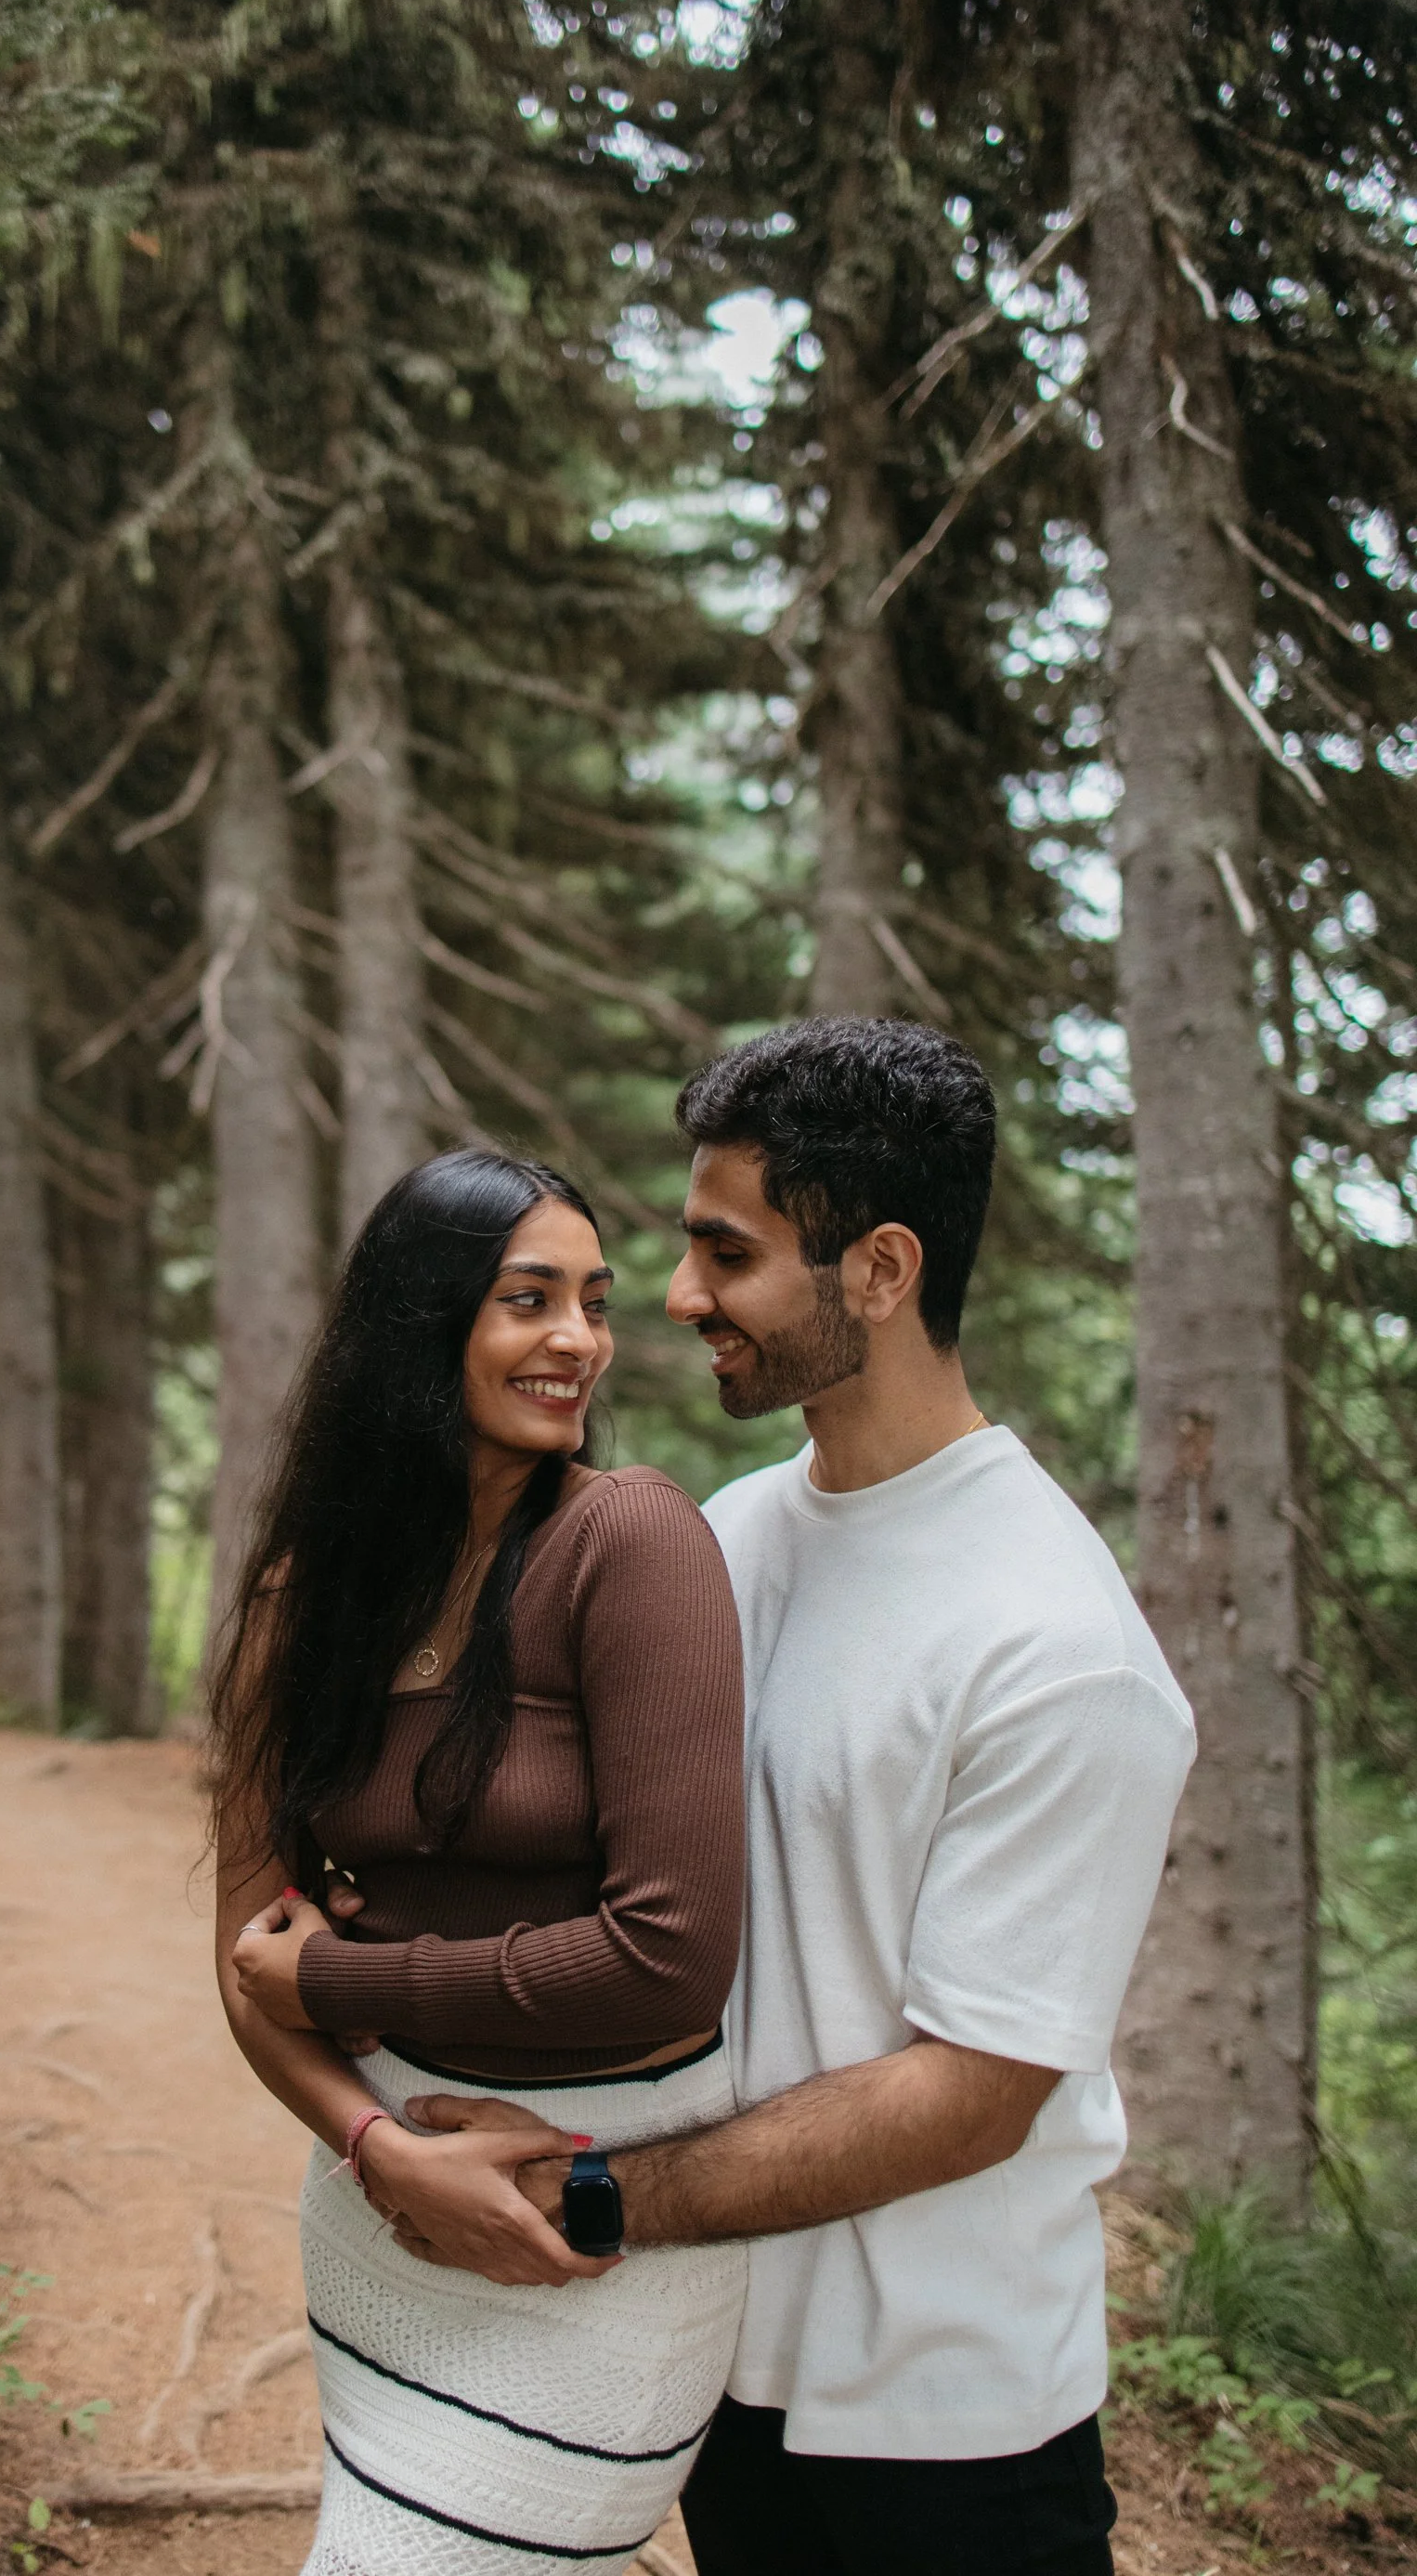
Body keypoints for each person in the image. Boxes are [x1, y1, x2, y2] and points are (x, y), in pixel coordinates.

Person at [396, 1021, 1198, 2576]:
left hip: (939, 2434)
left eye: (728, 1253)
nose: (681, 1298)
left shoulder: (1060, 1648)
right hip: (717, 2365)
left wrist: (589, 2199)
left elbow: (975, 2090)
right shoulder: (730, 1536)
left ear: (881, 1271)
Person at [212, 1146, 750, 2576]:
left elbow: (671, 1959)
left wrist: (345, 1974)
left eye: (593, 1300)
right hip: (381, 2220)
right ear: (421, 1322)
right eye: (528, 1300)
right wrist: (380, 2148)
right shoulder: (305, 1601)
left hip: (594, 2225)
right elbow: (241, 1965)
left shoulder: (627, 1540)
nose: (578, 1339)